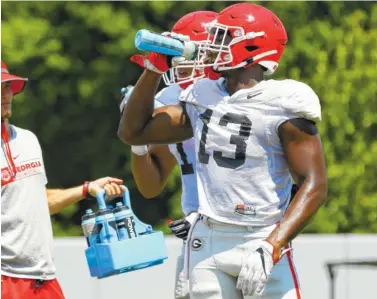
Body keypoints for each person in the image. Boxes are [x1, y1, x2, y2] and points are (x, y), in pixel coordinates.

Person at [118, 3, 328, 299]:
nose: (213, 46)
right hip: (209, 239)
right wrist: (153, 69)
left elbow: (313, 185)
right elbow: (132, 132)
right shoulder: (201, 95)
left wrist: (273, 244)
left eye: (222, 37)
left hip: (262, 236)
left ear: (252, 46)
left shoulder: (284, 101)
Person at [1, 61, 124, 299]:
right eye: (0, 87)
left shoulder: (28, 140)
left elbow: (40, 200)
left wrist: (87, 189)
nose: (7, 94)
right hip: (6, 280)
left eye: (8, 87)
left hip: (45, 279)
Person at [122, 11, 219, 299]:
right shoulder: (168, 99)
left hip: (243, 228)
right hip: (197, 236)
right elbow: (151, 186)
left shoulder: (236, 98)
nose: (182, 68)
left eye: (189, 58)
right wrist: (138, 140)